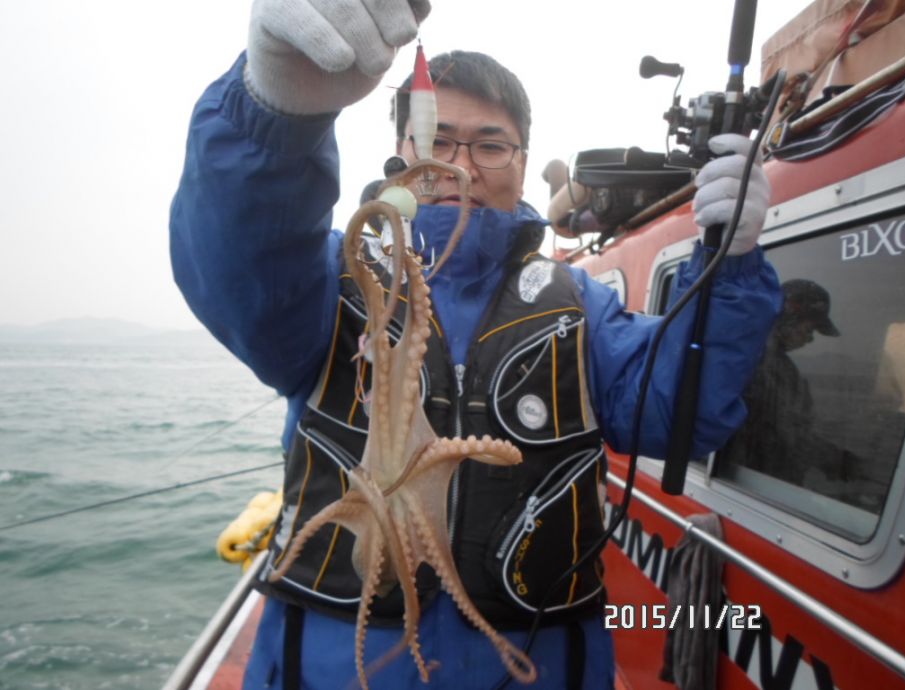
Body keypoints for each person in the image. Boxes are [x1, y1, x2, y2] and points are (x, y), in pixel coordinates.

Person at [169, 1, 782, 687]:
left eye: (491, 144)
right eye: (439, 137)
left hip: (534, 664)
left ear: (521, 163)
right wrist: (275, 113)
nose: (461, 164)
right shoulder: (325, 293)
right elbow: (237, 266)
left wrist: (730, 265)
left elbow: (681, 410)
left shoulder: (577, 306)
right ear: (402, 148)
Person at [721, 279, 856, 488]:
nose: (810, 339)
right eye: (809, 329)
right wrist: (838, 461)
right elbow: (785, 434)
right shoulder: (759, 364)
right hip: (754, 485)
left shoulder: (774, 362)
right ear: (788, 318)